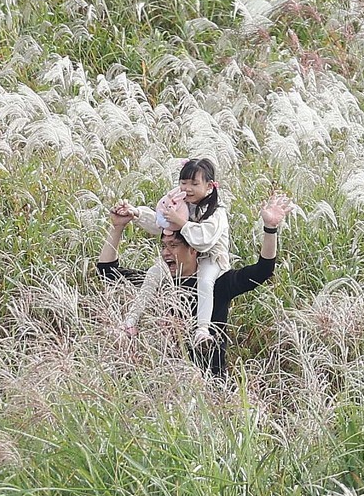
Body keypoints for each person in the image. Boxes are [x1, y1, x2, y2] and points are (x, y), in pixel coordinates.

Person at [106, 194, 289, 375]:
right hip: (165, 380)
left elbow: (263, 270)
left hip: (209, 383)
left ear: (194, 249)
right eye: (164, 246)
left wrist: (270, 228)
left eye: (173, 246)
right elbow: (108, 271)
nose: (166, 253)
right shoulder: (159, 282)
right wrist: (117, 227)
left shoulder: (219, 284)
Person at [110, 158, 232, 345]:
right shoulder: (182, 204)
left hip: (211, 257)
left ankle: (202, 329)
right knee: (153, 274)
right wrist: (136, 213)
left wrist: (181, 222)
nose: (187, 188)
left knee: (205, 282)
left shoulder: (217, 211)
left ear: (209, 186)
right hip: (187, 259)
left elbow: (204, 240)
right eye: (183, 183)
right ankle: (130, 321)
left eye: (194, 183)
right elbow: (161, 223)